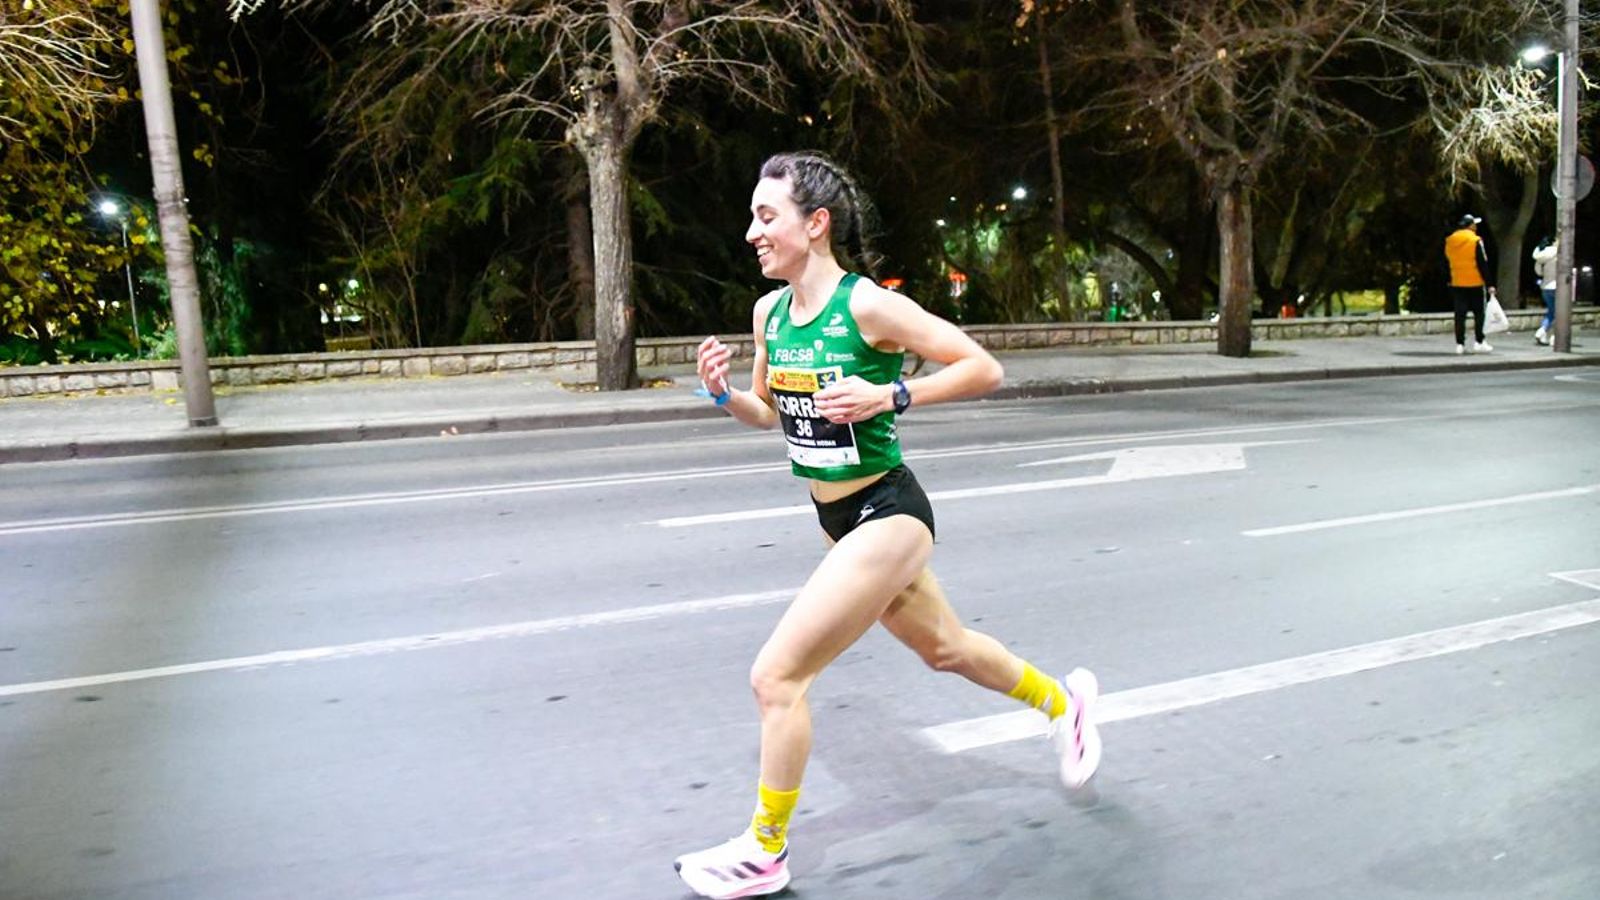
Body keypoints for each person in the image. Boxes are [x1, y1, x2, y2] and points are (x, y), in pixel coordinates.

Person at [673, 151, 1101, 899]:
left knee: (776, 677)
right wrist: (720, 396)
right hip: (839, 520)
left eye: (765, 217)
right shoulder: (769, 314)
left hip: (890, 513)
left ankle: (765, 851)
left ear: (816, 224)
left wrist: (891, 398)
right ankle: (1065, 705)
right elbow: (770, 412)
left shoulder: (866, 306)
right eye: (752, 217)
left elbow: (981, 367)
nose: (751, 233)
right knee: (950, 651)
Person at [1444, 214, 1493, 355]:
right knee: (1479, 313)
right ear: (1470, 225)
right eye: (1474, 224)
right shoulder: (1475, 240)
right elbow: (1482, 263)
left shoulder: (1450, 241)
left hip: (1457, 281)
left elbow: (1447, 261)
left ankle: (1460, 344)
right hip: (1475, 282)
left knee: (1460, 314)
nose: (1476, 226)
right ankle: (1479, 341)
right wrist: (1489, 283)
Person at [1532, 237, 1559, 346]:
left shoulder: (1540, 256)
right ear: (1553, 242)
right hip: (1557, 287)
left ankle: (1542, 331)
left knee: (1551, 312)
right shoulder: (1558, 253)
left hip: (1545, 287)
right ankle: (1554, 337)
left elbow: (1539, 273)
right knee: (1559, 314)